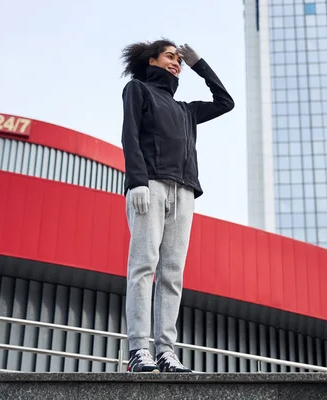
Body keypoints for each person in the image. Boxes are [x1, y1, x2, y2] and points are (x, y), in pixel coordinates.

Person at [119, 39, 234, 372]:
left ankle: (166, 352)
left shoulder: (186, 110)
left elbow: (225, 102)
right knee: (143, 267)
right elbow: (130, 133)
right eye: (170, 56)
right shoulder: (137, 90)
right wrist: (137, 180)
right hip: (150, 185)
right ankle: (139, 350)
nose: (176, 63)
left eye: (179, 60)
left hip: (184, 192)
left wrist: (200, 64)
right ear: (151, 60)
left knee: (172, 274)